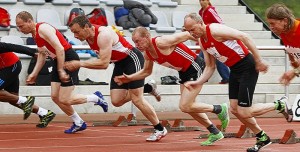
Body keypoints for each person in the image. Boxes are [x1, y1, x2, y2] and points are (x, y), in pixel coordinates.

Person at [183, 13, 292, 152]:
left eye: (192, 29)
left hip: (247, 65)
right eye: (187, 31)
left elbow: (244, 36)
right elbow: (210, 66)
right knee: (234, 109)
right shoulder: (202, 42)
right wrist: (198, 82)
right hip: (234, 69)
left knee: (245, 111)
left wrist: (258, 60)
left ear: (200, 23)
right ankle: (262, 137)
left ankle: (280, 104)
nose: (191, 33)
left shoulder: (215, 30)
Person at [114, 26, 230, 146]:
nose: (136, 45)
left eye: (138, 41)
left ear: (147, 36)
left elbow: (187, 34)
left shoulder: (162, 42)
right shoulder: (148, 54)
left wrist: (209, 44)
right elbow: (146, 72)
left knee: (185, 106)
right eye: (134, 42)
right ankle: (214, 131)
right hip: (184, 72)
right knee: (190, 107)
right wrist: (129, 78)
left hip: (195, 66)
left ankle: (219, 109)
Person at [66, 15, 167, 142]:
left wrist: (79, 63)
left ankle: (159, 129)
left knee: (137, 99)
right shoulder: (88, 36)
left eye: (76, 31)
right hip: (119, 63)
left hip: (131, 59)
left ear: (86, 27)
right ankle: (148, 87)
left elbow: (103, 64)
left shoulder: (103, 35)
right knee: (116, 101)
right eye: (73, 33)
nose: (75, 36)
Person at [16, 11, 108, 134]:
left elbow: (60, 48)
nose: (19, 29)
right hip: (58, 60)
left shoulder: (43, 28)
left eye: (21, 26)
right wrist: (34, 73)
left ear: (29, 21)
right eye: (18, 26)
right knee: (55, 96)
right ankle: (78, 122)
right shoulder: (35, 34)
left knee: (65, 99)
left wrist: (60, 70)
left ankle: (95, 98)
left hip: (68, 58)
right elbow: (43, 55)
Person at [0, 42, 56, 128]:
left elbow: (14, 47)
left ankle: (25, 100)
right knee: (12, 98)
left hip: (11, 66)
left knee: (15, 98)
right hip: (5, 69)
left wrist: (33, 53)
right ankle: (44, 113)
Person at [265, 3, 300, 89]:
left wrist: (295, 71)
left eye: (273, 23)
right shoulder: (284, 31)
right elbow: (289, 48)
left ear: (285, 21)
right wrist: (293, 62)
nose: (270, 27)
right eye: (269, 24)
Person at [198, 0, 230, 84]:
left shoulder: (210, 10)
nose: (201, 2)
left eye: (203, 0)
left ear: (208, 1)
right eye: (200, 0)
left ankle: (226, 77)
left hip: (214, 38)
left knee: (217, 58)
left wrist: (217, 34)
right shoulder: (201, 11)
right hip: (206, 40)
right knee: (202, 59)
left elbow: (221, 23)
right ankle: (225, 77)